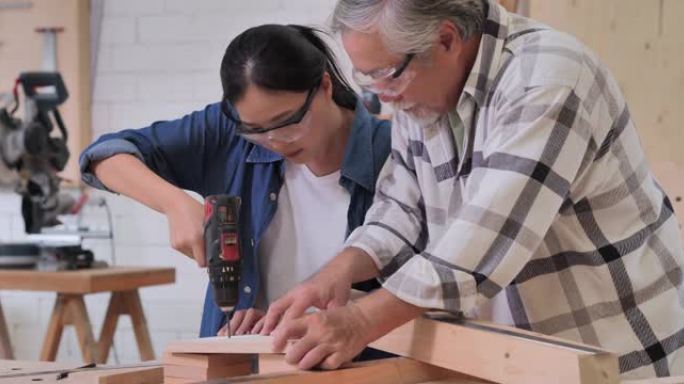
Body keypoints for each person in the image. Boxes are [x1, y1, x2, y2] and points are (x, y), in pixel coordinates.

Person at [261, 0, 684, 379]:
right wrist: (341, 269)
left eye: (385, 75)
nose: (384, 97)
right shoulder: (420, 86)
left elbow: (481, 244)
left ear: (446, 39)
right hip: (515, 355)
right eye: (366, 77)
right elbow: (400, 207)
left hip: (616, 355)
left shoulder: (549, 78)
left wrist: (359, 321)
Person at [79, 24, 391, 339]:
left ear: (324, 86)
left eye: (288, 122)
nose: (275, 140)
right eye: (256, 129)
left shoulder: (393, 151)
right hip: (244, 361)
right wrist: (175, 203)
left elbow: (422, 288)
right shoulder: (229, 134)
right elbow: (103, 156)